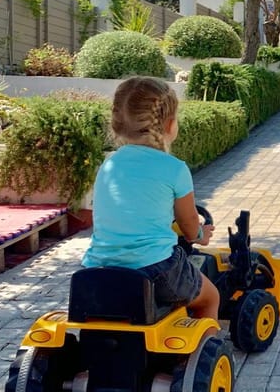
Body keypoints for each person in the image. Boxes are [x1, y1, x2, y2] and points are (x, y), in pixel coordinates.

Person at [82, 76, 218, 319]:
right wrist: (200, 235)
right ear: (169, 125)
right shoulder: (175, 168)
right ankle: (210, 351)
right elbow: (188, 226)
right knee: (209, 298)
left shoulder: (108, 165)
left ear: (116, 124)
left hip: (97, 269)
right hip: (156, 270)